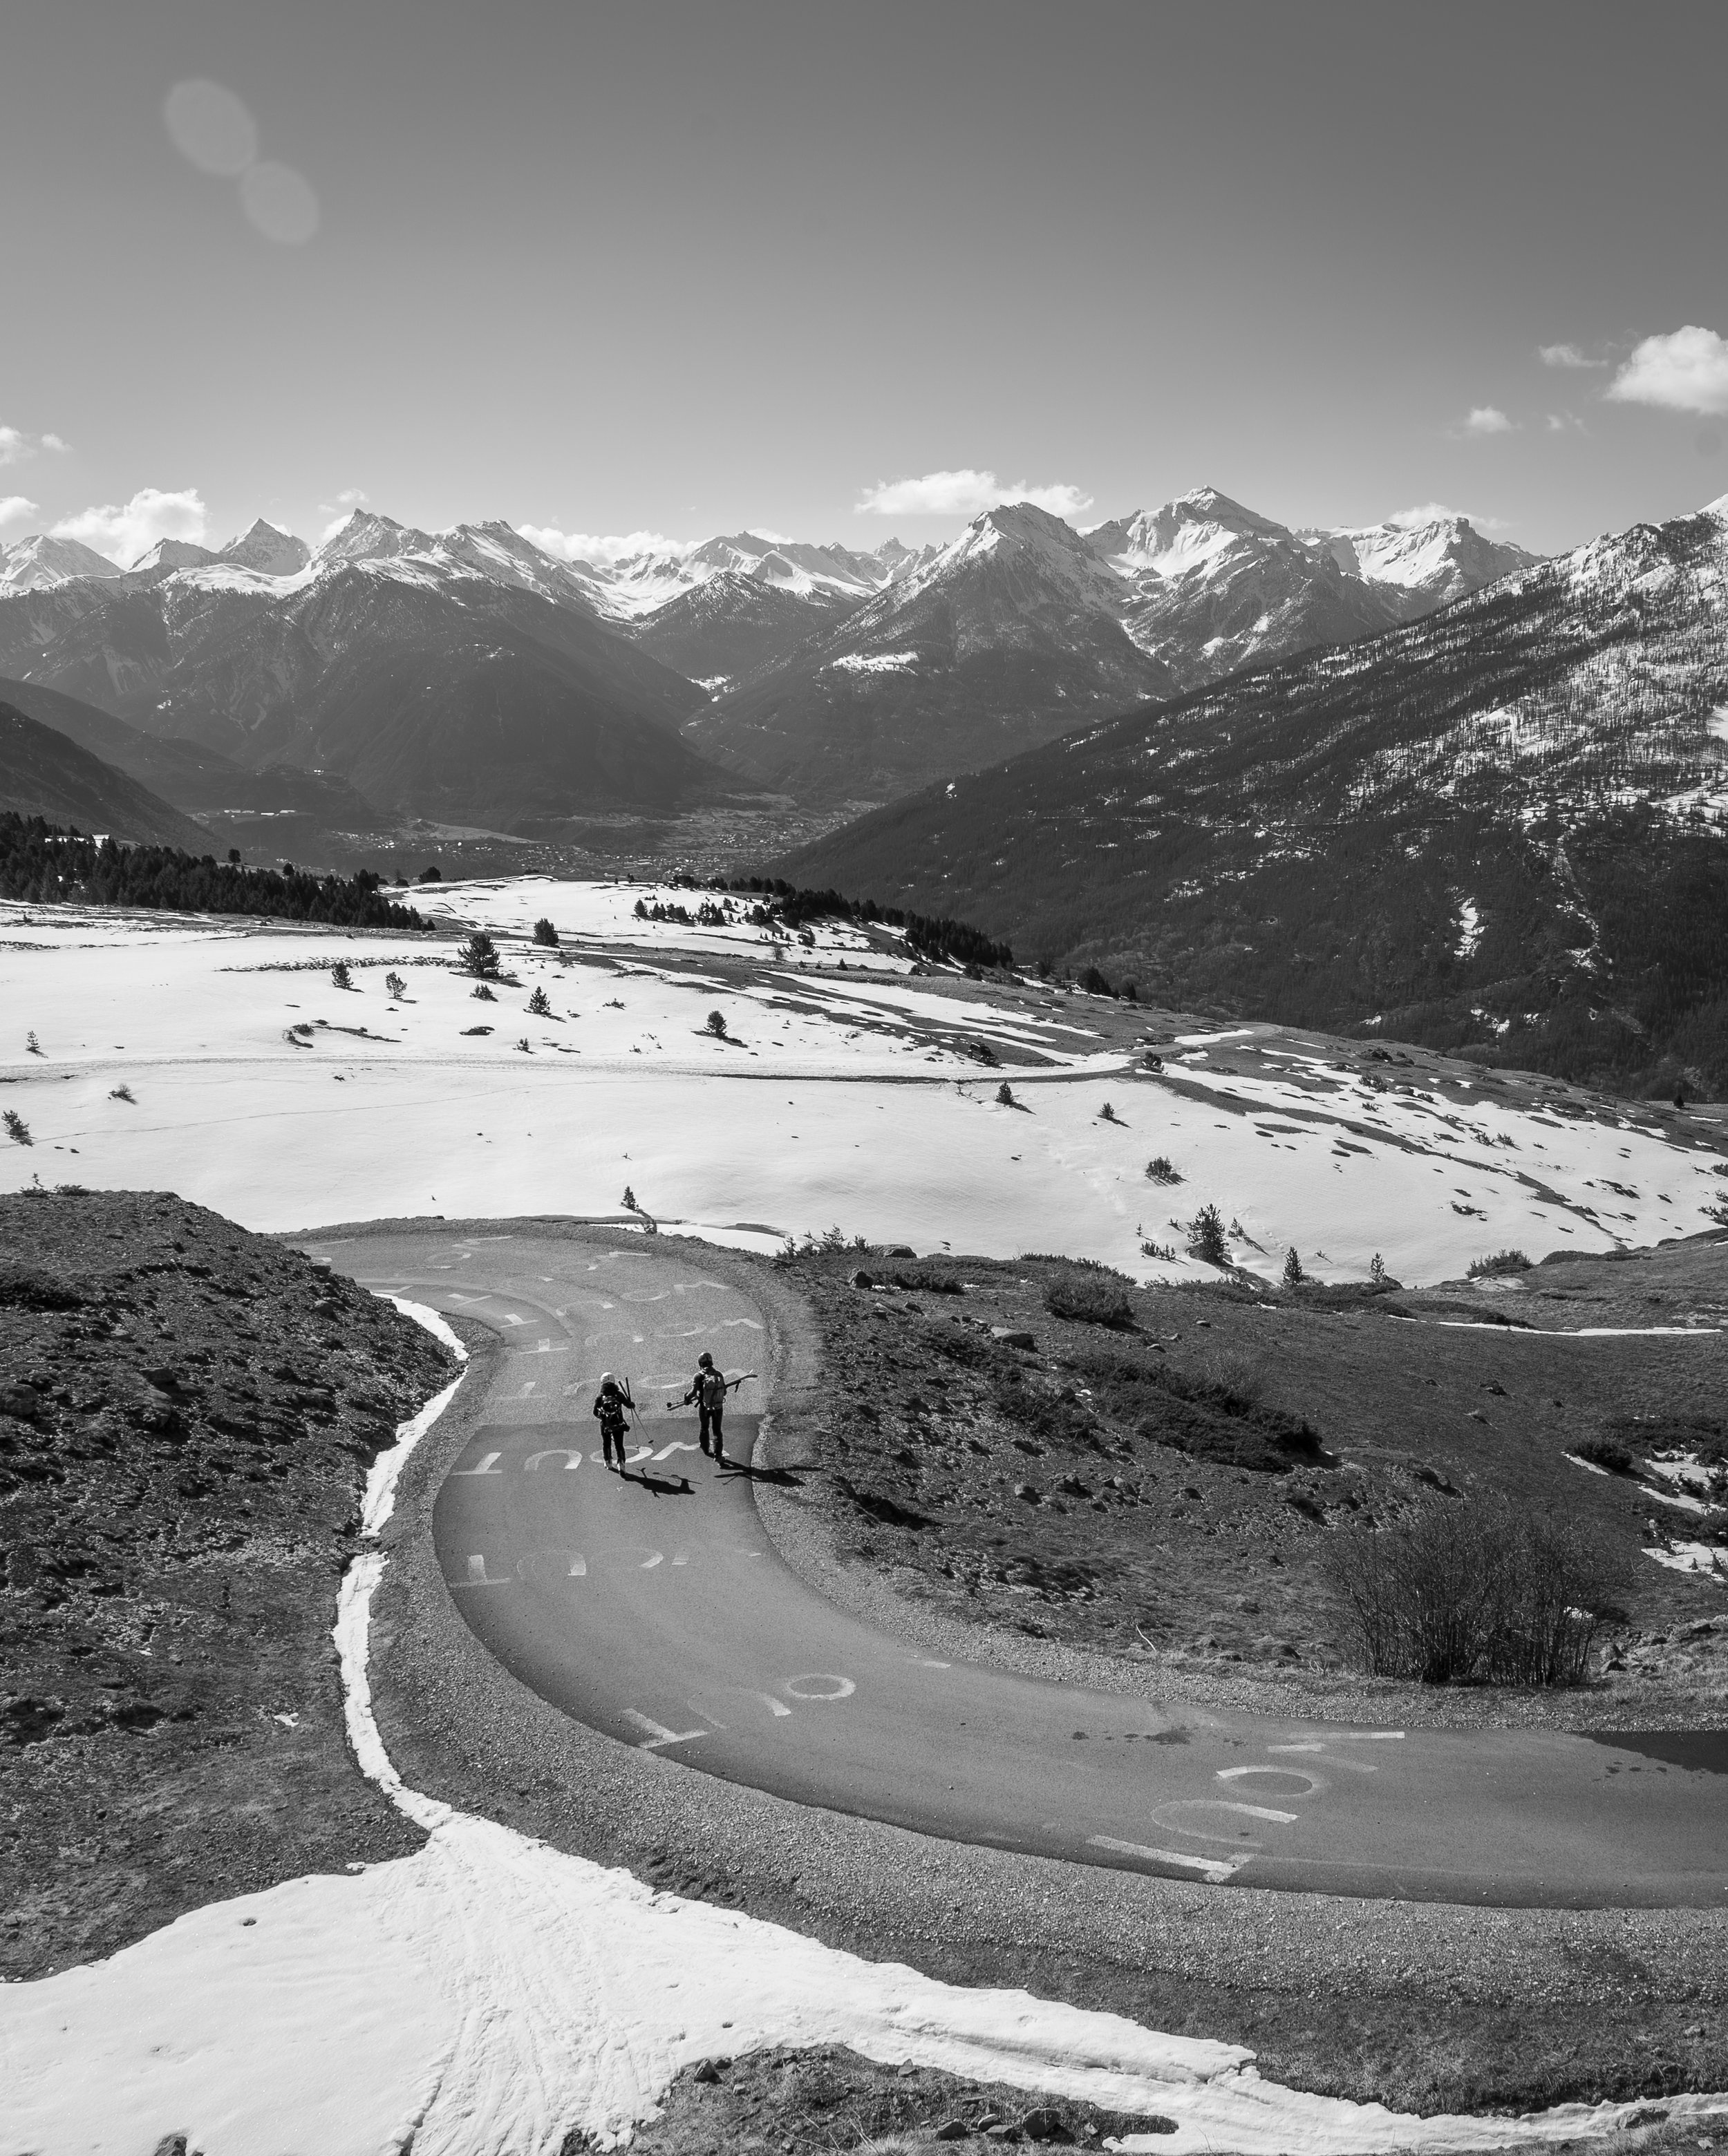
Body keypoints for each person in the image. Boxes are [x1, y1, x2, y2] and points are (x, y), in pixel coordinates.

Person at [683, 1352, 729, 1462]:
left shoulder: (698, 1375)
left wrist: (687, 1398)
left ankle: (705, 1447)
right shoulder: (719, 1374)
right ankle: (718, 1455)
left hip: (705, 1407)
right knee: (717, 1430)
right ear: (712, 1362)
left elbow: (693, 1392)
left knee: (704, 1426)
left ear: (700, 1363)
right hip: (718, 1407)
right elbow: (725, 1392)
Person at [593, 1371, 634, 1472]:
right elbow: (629, 1405)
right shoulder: (619, 1395)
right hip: (619, 1424)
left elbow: (595, 1412)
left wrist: (604, 1417)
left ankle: (608, 1462)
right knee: (619, 1445)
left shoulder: (600, 1397)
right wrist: (631, 1403)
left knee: (606, 1444)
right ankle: (622, 1464)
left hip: (606, 1426)